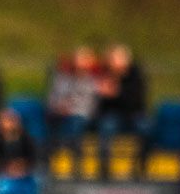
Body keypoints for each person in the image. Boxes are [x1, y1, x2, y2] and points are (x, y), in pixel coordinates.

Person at [94, 43, 147, 175]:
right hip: (113, 115)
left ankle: (139, 166)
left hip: (133, 114)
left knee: (144, 128)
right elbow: (101, 106)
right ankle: (104, 167)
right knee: (106, 126)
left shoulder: (135, 75)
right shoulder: (105, 75)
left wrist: (118, 93)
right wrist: (104, 96)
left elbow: (137, 101)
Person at [46, 46, 98, 162]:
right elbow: (52, 97)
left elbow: (88, 103)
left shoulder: (92, 80)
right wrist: (58, 107)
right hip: (58, 113)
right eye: (77, 60)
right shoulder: (62, 77)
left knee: (74, 123)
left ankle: (72, 158)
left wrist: (70, 108)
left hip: (80, 115)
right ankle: (49, 158)